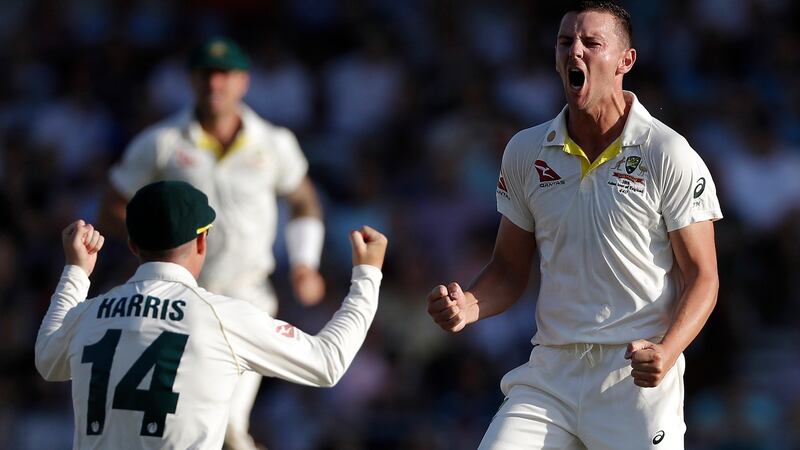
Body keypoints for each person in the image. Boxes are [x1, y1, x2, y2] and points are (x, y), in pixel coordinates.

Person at [426, 1, 722, 449]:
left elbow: (703, 277)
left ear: (626, 61)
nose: (575, 52)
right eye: (566, 42)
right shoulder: (526, 151)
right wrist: (467, 306)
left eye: (591, 43)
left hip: (634, 378)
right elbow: (508, 270)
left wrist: (668, 351)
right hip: (550, 375)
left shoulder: (667, 152)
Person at [36, 180, 387, 449]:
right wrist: (368, 276)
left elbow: (47, 361)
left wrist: (76, 272)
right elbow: (327, 362)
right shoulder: (220, 318)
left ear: (132, 245)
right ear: (202, 241)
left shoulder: (91, 313)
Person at [98, 37, 326, 449]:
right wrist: (155, 244)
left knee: (230, 426)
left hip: (246, 299)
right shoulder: (162, 141)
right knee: (187, 426)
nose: (215, 85)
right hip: (178, 302)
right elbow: (113, 205)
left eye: (225, 75)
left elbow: (304, 200)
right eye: (206, 75)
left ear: (244, 82)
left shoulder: (273, 143)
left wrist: (304, 263)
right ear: (192, 80)